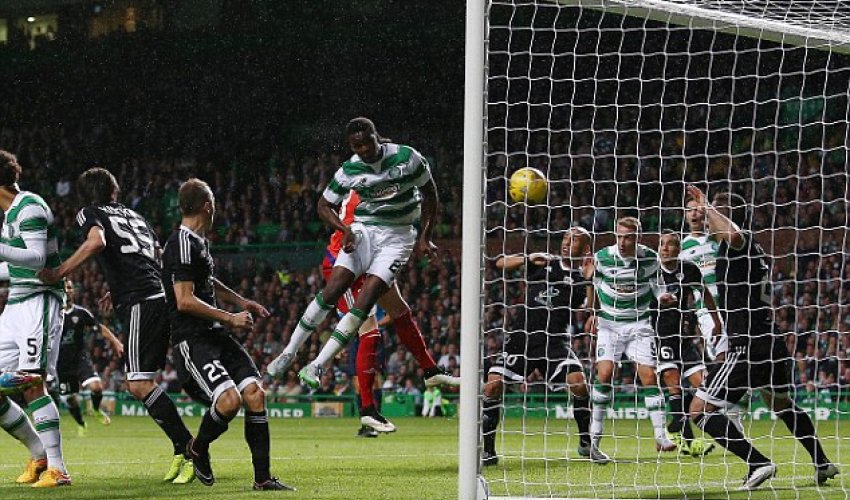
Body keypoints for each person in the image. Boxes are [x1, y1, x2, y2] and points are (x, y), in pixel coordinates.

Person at [267, 117, 454, 432]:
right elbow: (331, 210)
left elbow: (424, 192)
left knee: (399, 312)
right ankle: (366, 409)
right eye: (359, 147)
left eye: (372, 145)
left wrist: (422, 234)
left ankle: (428, 369)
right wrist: (346, 233)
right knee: (368, 329)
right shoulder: (355, 181)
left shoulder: (394, 168)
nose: (367, 153)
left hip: (384, 244)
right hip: (352, 253)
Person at [39, 167, 195, 484]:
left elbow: (96, 242)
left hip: (143, 300)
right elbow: (155, 256)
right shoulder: (136, 217)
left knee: (138, 383)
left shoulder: (90, 212)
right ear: (114, 191)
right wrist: (121, 284)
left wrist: (60, 272)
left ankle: (190, 448)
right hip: (159, 293)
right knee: (144, 380)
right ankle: (185, 448)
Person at [685, 186, 839, 490]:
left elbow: (733, 234)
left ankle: (758, 463)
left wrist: (706, 203)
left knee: (699, 412)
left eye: (712, 212)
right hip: (771, 342)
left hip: (747, 345)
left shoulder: (737, 244)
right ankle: (822, 463)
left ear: (726, 216)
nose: (704, 216)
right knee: (782, 404)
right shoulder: (748, 249)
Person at [162, 178, 293, 491]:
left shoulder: (198, 241)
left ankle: (262, 479)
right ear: (208, 205)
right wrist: (231, 317)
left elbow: (207, 282)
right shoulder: (181, 243)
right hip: (192, 340)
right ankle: (198, 448)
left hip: (214, 335)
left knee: (255, 394)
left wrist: (240, 301)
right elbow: (184, 299)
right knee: (230, 401)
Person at [482, 227, 594, 467]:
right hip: (522, 338)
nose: (566, 243)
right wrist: (528, 258)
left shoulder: (581, 276)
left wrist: (589, 280)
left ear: (585, 249)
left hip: (555, 340)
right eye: (565, 238)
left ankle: (586, 442)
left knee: (579, 383)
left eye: (574, 240)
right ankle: (488, 451)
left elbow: (587, 310)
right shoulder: (544, 263)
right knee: (492, 386)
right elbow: (500, 263)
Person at [0, 150, 69, 486]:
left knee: (31, 382)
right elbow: (13, 265)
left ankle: (58, 469)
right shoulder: (9, 213)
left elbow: (37, 257)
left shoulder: (29, 205)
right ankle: (39, 454)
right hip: (15, 303)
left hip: (39, 301)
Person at [585, 217, 676, 464]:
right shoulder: (603, 257)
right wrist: (592, 311)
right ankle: (594, 439)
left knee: (649, 375)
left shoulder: (649, 258)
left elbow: (657, 285)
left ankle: (660, 435)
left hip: (639, 324)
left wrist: (663, 296)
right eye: (620, 236)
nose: (623, 242)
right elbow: (594, 284)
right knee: (604, 374)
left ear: (638, 238)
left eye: (629, 237)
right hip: (609, 325)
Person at [654, 232, 719, 456]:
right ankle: (688, 442)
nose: (665, 248)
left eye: (670, 244)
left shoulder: (689, 269)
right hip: (659, 335)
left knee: (703, 383)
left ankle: (675, 423)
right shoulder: (649, 271)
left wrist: (717, 321)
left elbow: (705, 293)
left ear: (678, 249)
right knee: (673, 383)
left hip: (683, 337)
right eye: (662, 244)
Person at [55, 279, 124, 435]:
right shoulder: (53, 313)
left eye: (70, 287)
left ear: (74, 291)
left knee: (97, 387)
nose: (68, 290)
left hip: (80, 359)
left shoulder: (81, 313)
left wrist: (116, 342)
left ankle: (96, 409)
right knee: (71, 400)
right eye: (65, 287)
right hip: (60, 364)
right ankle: (81, 423)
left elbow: (100, 328)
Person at [681, 196, 727, 360]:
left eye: (698, 210)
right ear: (685, 215)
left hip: (729, 306)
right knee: (721, 355)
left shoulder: (718, 240)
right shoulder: (682, 249)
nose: (694, 214)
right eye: (689, 210)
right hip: (705, 310)